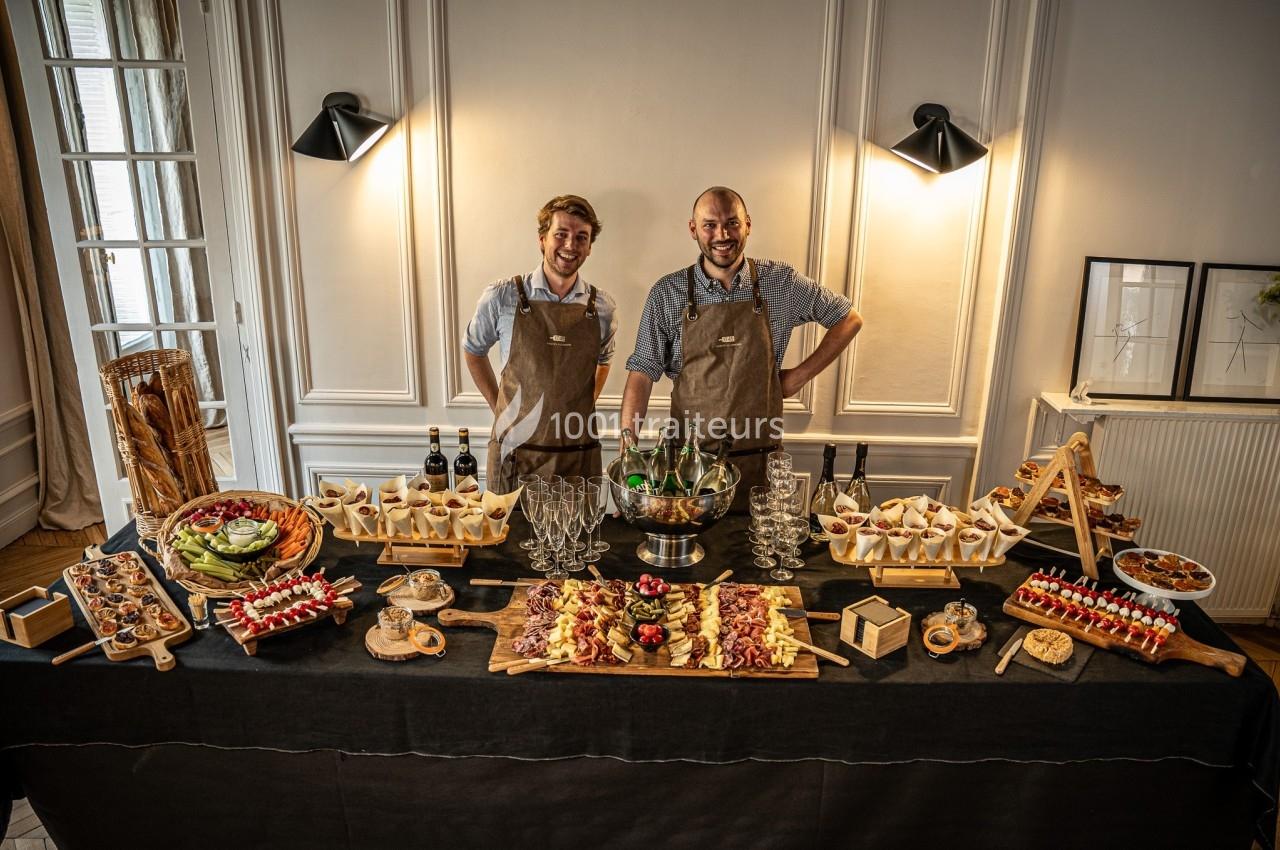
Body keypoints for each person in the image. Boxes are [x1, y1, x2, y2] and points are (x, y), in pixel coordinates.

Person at [619, 186, 862, 500]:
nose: (722, 234)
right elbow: (642, 371)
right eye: (710, 225)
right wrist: (629, 454)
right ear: (693, 230)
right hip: (687, 472)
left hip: (760, 466)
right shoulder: (668, 293)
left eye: (732, 223)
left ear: (748, 224)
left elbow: (849, 318)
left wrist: (797, 378)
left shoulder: (781, 283)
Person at [464, 194, 617, 492]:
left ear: (589, 247)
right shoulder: (503, 296)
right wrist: (500, 407)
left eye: (581, 237)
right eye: (561, 234)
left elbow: (604, 360)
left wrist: (577, 406)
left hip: (577, 455)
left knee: (576, 536)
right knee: (508, 537)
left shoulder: (603, 308)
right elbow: (473, 350)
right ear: (542, 239)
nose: (570, 245)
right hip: (514, 455)